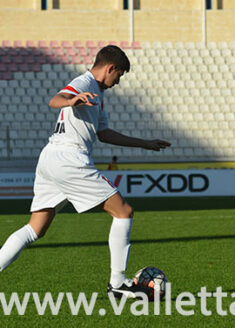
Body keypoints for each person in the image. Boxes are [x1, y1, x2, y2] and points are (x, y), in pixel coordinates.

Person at [0, 45, 171, 299]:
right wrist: (72, 100)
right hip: (70, 158)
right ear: (110, 68)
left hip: (51, 158)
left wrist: (144, 143)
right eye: (119, 75)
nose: (118, 82)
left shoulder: (97, 95)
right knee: (123, 212)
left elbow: (104, 134)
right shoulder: (84, 82)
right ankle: (118, 283)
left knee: (35, 229)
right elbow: (55, 100)